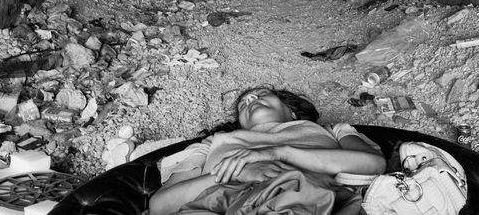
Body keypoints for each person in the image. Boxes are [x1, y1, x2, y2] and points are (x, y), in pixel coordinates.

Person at [149, 86, 386, 215]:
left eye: (262, 94)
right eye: (243, 105)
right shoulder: (212, 144)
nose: (251, 98)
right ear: (241, 126)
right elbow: (160, 205)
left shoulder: (333, 130)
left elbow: (374, 164)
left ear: (292, 111)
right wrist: (239, 172)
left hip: (311, 198)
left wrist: (280, 153)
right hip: (225, 204)